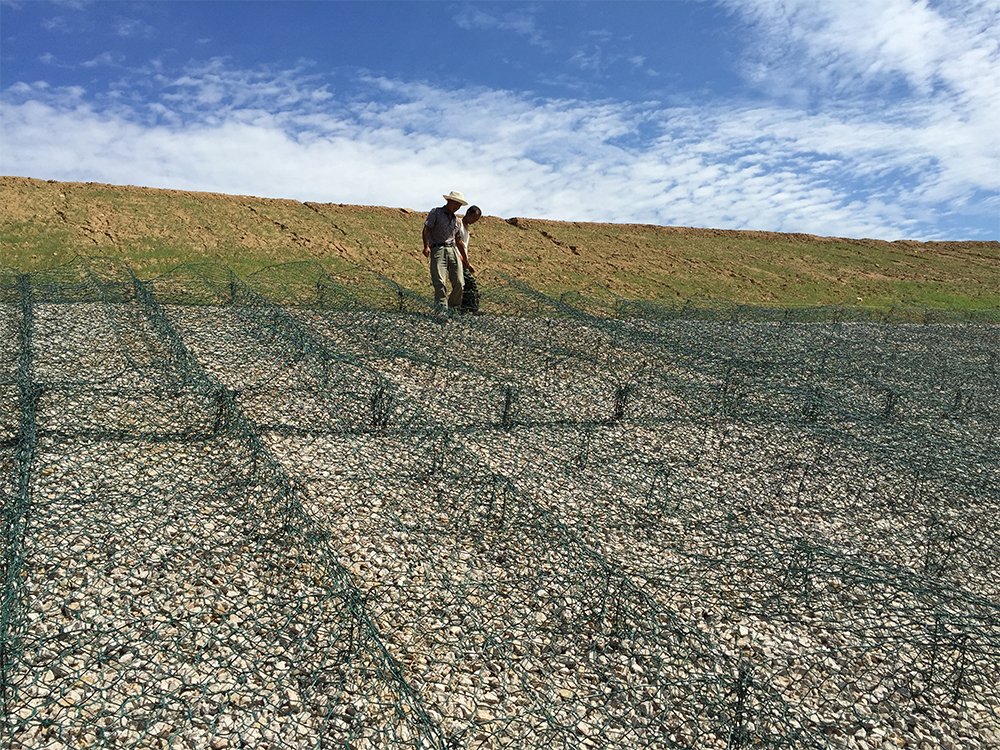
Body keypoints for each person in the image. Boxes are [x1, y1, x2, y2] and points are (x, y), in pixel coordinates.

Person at [423, 190, 469, 316]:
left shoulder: (457, 220)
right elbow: (427, 229)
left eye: (459, 205)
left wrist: (465, 260)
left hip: (452, 249)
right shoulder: (436, 212)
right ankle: (441, 311)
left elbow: (459, 240)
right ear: (449, 201)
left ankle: (453, 309)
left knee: (460, 282)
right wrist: (426, 246)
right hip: (438, 248)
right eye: (456, 204)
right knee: (439, 281)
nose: (457, 207)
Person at [457, 205, 481, 314]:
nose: (474, 221)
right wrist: (466, 262)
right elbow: (457, 243)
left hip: (463, 259)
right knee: (470, 282)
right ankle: (471, 308)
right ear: (468, 213)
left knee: (466, 283)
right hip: (458, 258)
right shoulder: (458, 224)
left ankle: (465, 307)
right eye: (474, 218)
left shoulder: (466, 228)